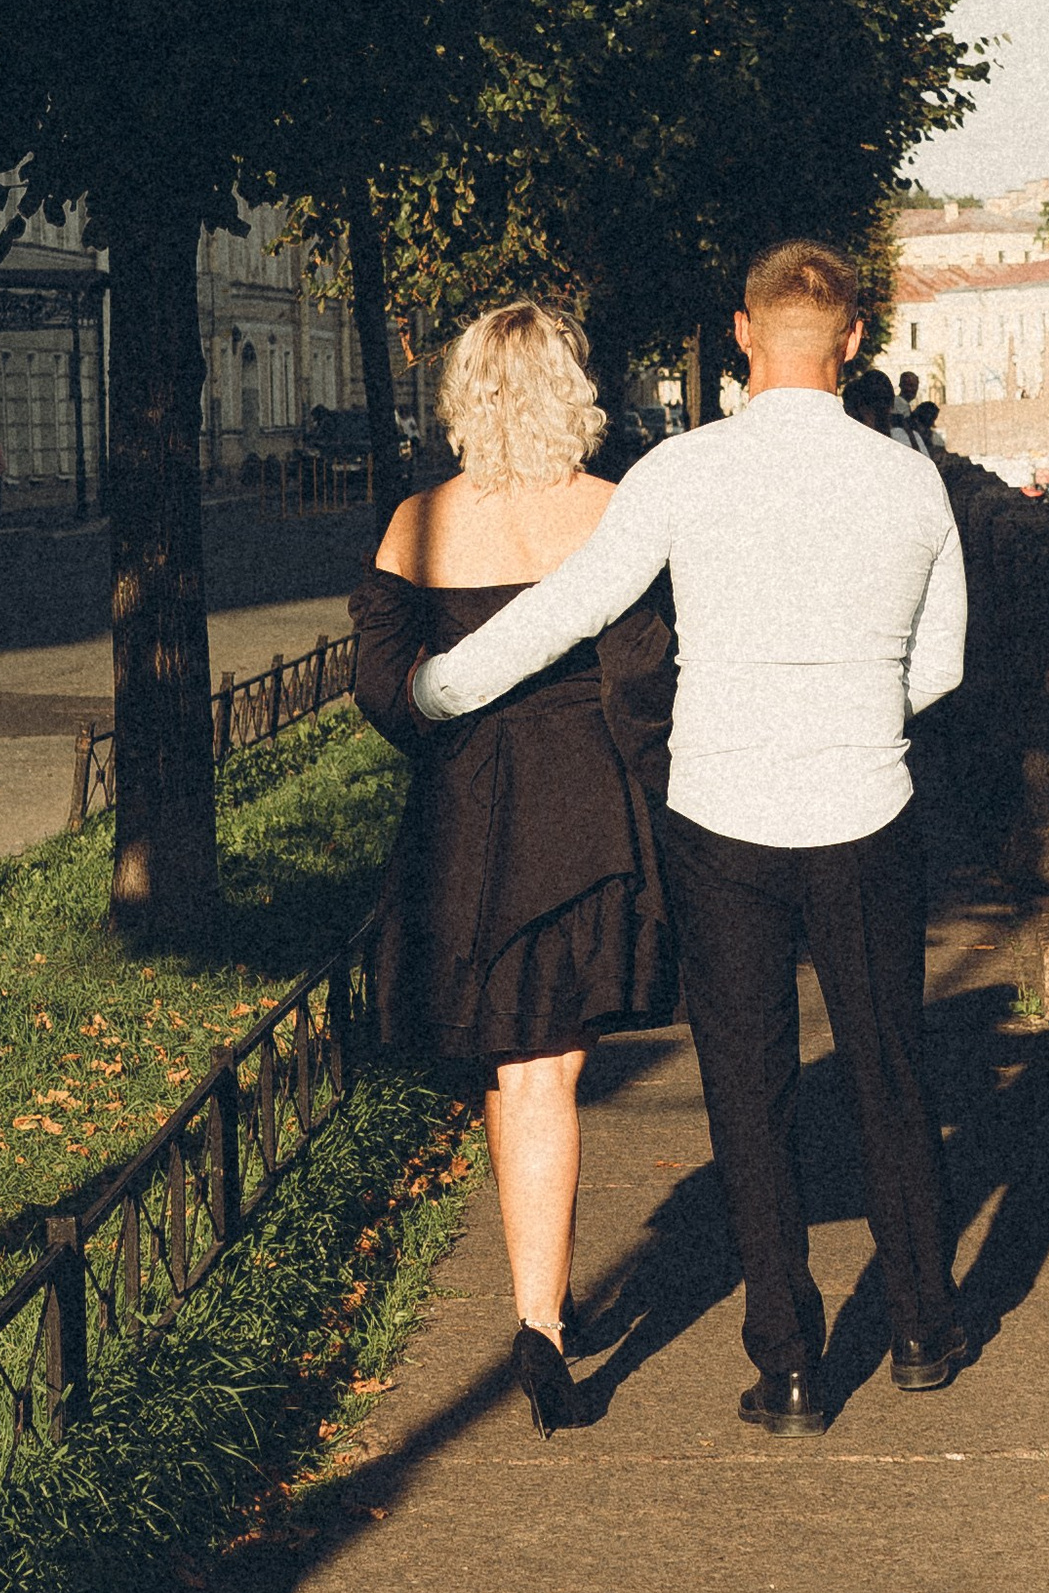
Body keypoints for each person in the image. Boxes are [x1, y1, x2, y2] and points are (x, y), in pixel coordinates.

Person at [411, 240, 969, 1438]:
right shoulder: (909, 480)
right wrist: (860, 710)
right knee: (888, 1065)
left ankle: (791, 1363)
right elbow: (944, 663)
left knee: (748, 1086)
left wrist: (441, 692)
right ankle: (923, 1323)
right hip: (865, 805)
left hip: (721, 815)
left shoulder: (682, 471)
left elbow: (573, 605)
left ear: (740, 334)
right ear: (856, 343)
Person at [352, 304, 675, 1438]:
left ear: (464, 395)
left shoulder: (418, 523)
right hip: (590, 813)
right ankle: (540, 1314)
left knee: (517, 1068)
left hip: (470, 822)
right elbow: (648, 680)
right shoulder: (614, 516)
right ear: (570, 390)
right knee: (546, 1070)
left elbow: (386, 690)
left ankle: (540, 1306)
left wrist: (456, 738)